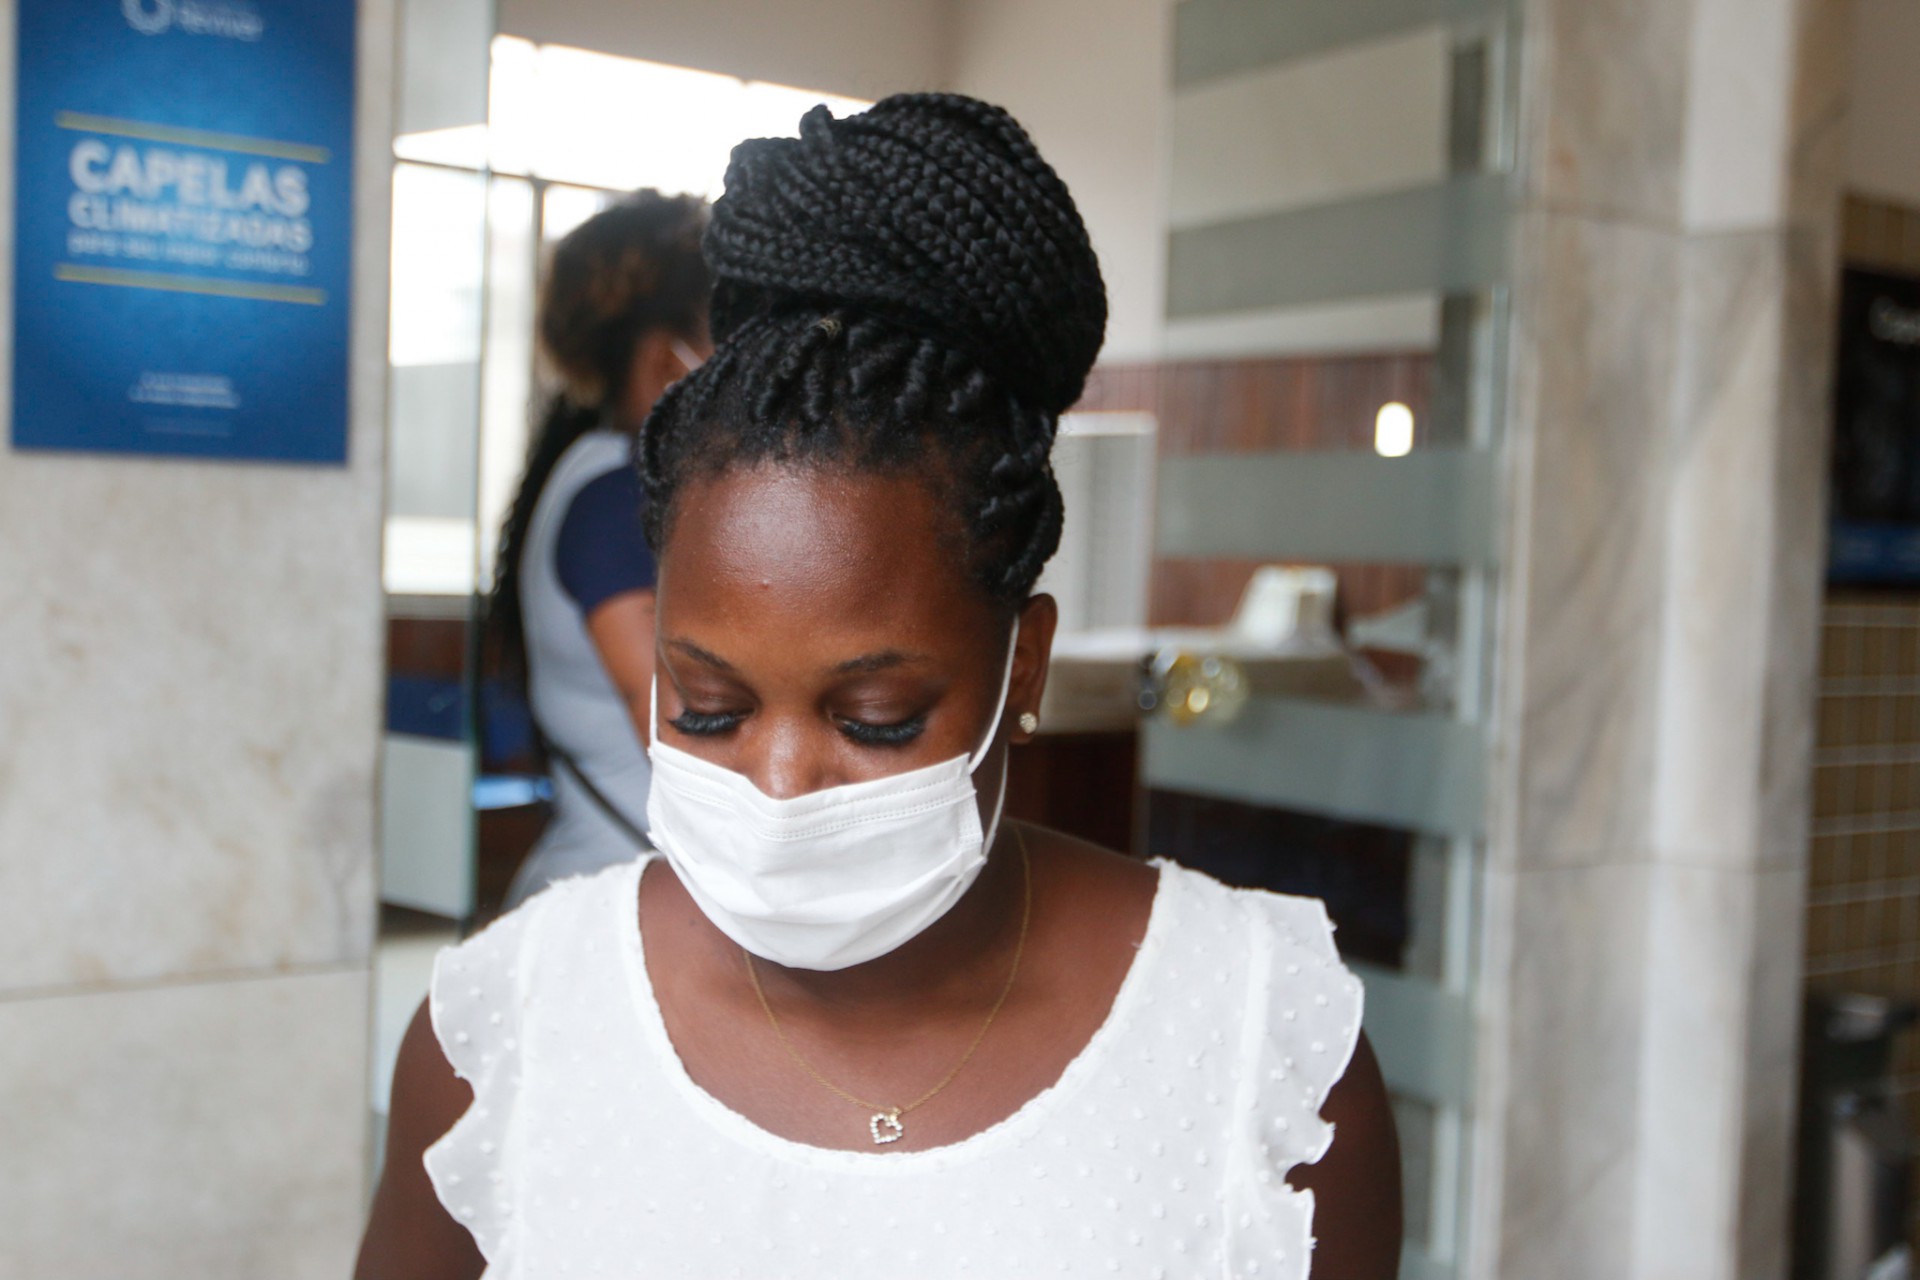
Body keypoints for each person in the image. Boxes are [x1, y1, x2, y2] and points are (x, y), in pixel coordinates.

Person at [358, 94, 1401, 1279]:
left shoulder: (1264, 1046)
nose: (783, 780)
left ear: (1028, 666)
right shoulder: (503, 1033)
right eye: (707, 705)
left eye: (875, 720)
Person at [486, 192, 711, 910]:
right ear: (664, 358)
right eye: (727, 334)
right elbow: (684, 734)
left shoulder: (607, 478)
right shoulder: (615, 503)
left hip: (630, 893)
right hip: (614, 908)